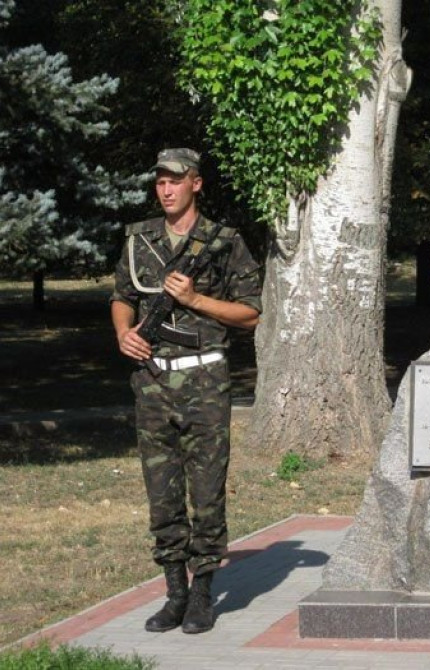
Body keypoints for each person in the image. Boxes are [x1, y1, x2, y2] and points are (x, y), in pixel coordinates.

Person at [111, 148, 262, 634]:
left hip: (204, 381)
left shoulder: (224, 242)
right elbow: (122, 297)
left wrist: (195, 299)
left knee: (206, 491)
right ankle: (174, 593)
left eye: (175, 180)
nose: (166, 189)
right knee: (162, 493)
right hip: (152, 380)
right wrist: (124, 333)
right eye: (160, 181)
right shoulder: (140, 240)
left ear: (196, 183)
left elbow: (251, 313)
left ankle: (203, 595)